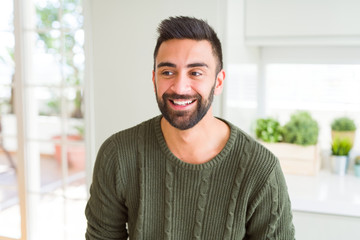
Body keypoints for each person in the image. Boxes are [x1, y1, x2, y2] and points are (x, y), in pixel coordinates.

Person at [85, 16, 295, 239]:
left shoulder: (261, 170)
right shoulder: (117, 155)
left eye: (195, 73)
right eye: (167, 72)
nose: (180, 86)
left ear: (219, 82)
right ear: (154, 79)